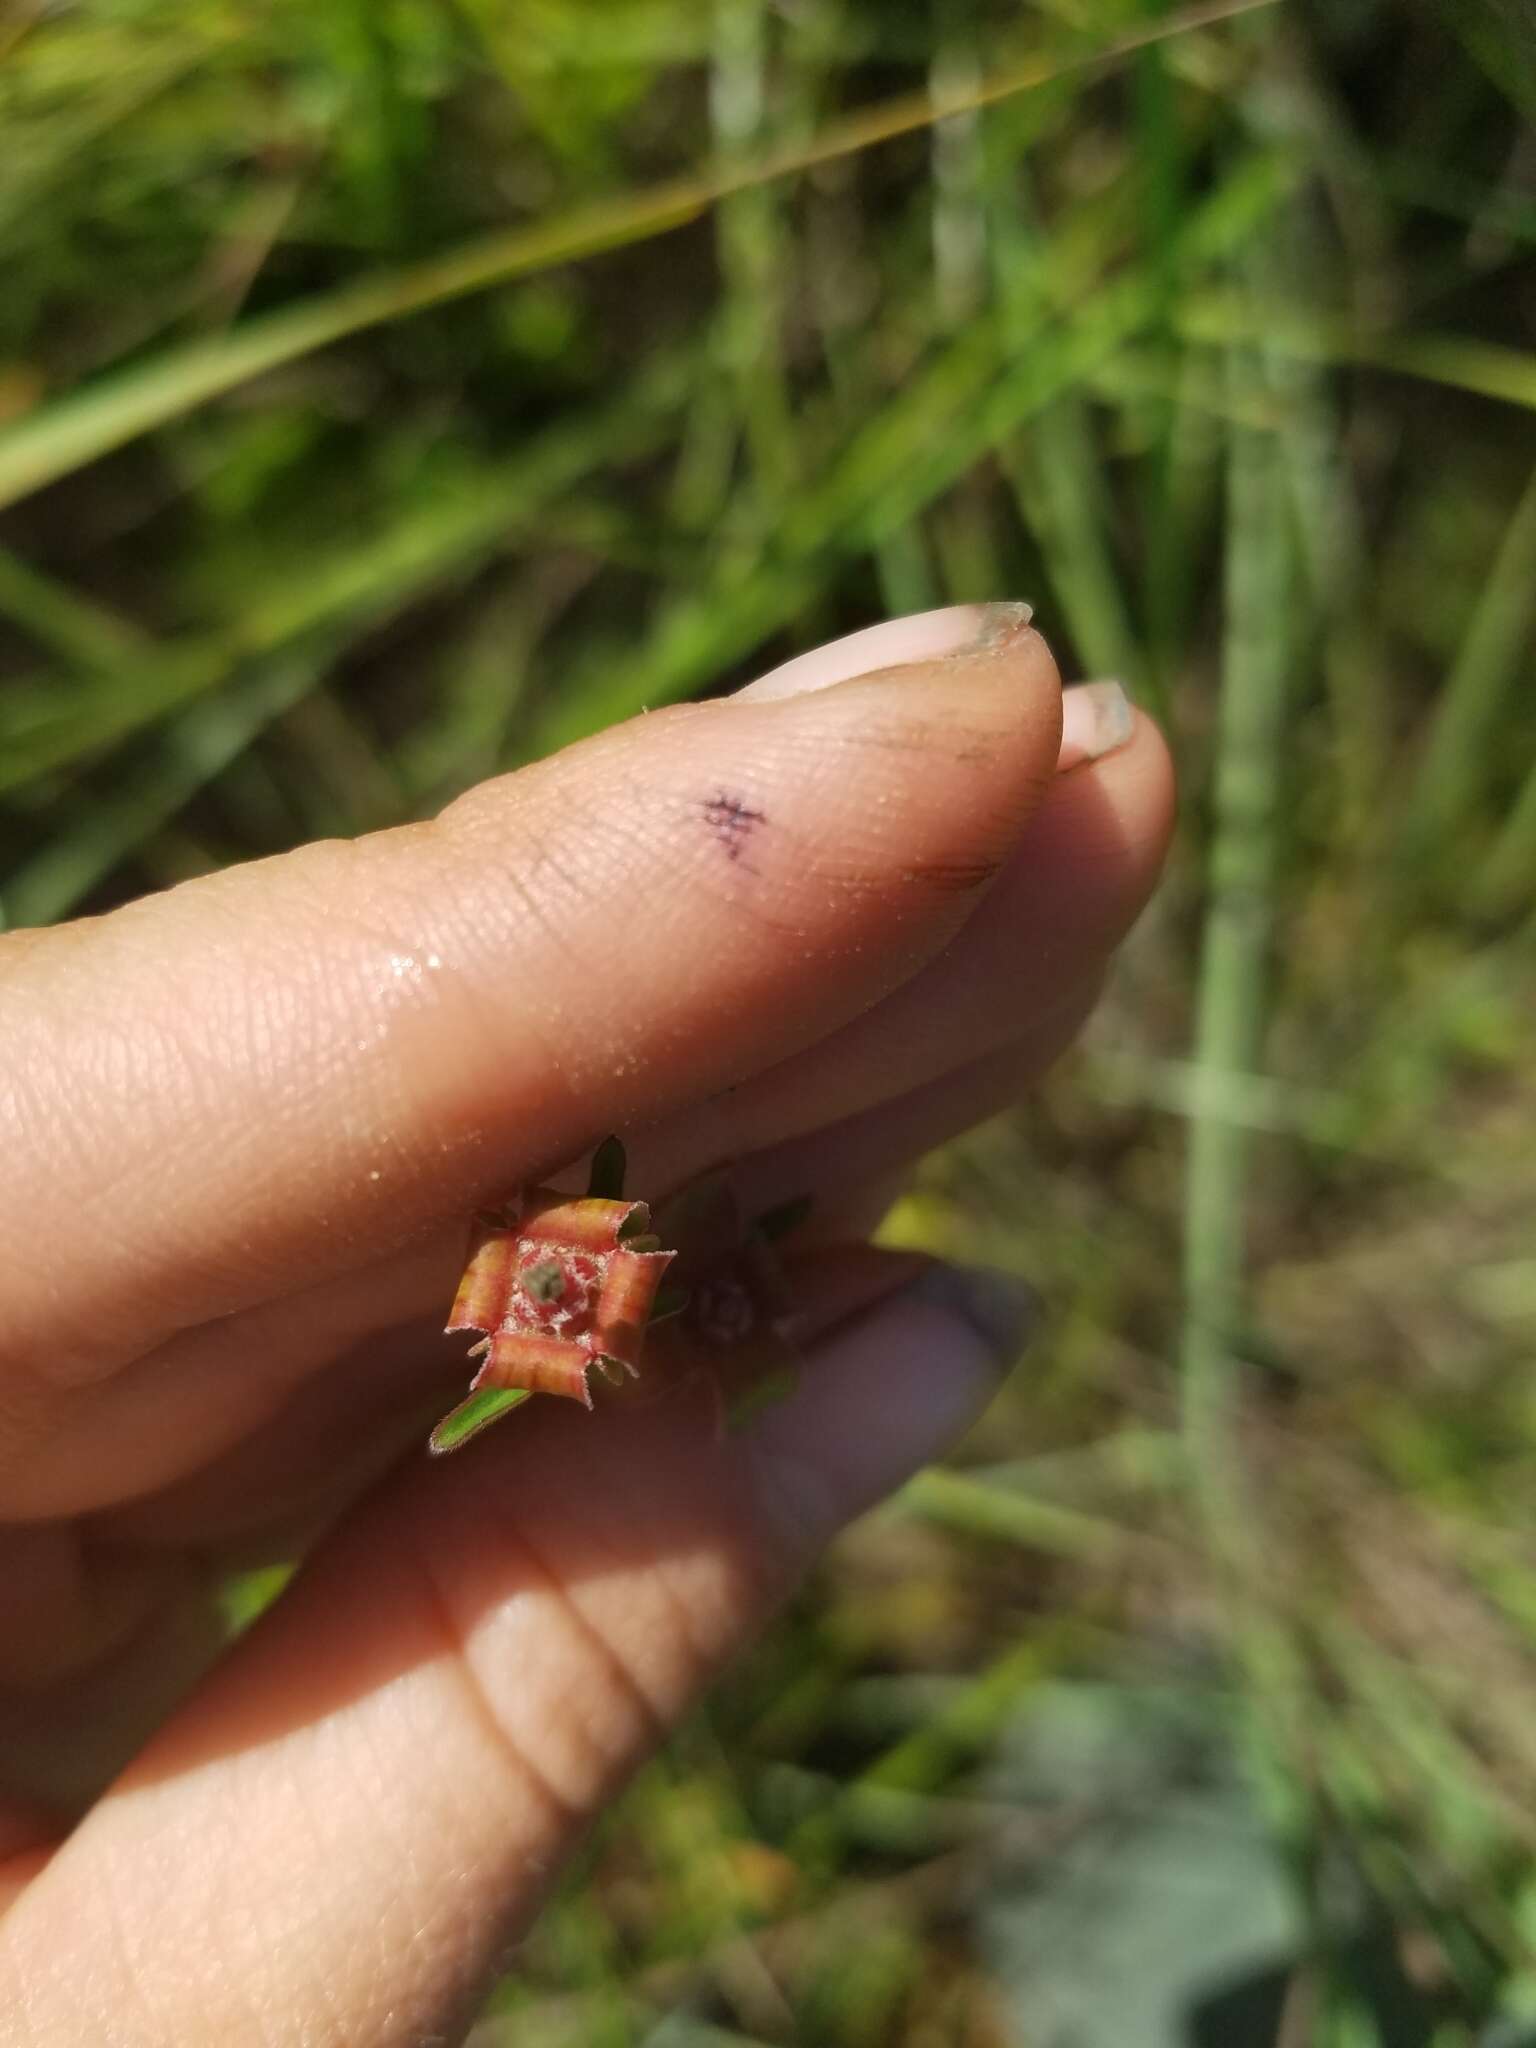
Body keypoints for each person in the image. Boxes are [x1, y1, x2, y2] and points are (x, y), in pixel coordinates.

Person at [0, 604, 1173, 2043]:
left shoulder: (588, 1285)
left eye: (574, 1289)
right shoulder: (540, 1293)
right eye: (557, 1288)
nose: (565, 1294)